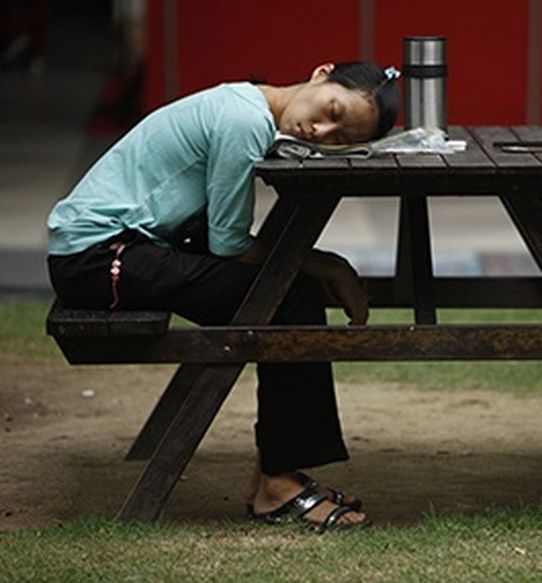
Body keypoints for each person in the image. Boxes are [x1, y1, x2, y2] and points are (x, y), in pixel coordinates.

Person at [46, 61, 401, 531]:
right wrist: (326, 263)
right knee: (290, 297)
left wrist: (316, 264)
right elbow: (229, 243)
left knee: (287, 293)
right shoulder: (244, 121)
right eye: (331, 109)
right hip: (98, 259)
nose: (320, 130)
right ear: (320, 74)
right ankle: (278, 485)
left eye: (339, 137)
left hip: (122, 249)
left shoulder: (248, 105)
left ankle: (276, 478)